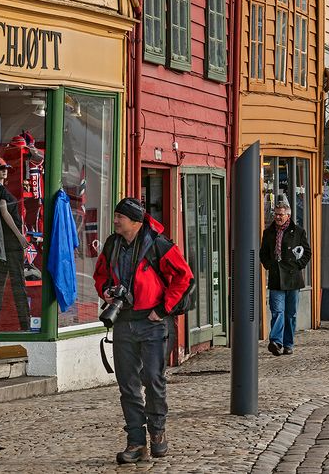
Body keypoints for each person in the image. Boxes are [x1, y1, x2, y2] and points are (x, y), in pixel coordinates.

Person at [92, 198, 194, 464]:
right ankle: (136, 442)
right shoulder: (112, 244)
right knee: (127, 385)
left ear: (136, 222)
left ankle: (157, 434)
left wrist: (162, 309)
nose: (115, 221)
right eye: (115, 215)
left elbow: (185, 278)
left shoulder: (159, 244)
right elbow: (100, 274)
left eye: (120, 217)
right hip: (124, 320)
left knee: (153, 379)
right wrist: (105, 291)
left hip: (153, 322)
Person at [259, 202, 311, 356]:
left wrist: (297, 266)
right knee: (277, 311)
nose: (277, 217)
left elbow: (307, 253)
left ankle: (288, 343)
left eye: (280, 214)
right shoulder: (268, 232)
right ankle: (275, 341)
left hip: (293, 278)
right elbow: (263, 254)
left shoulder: (298, 232)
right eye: (275, 214)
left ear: (288, 215)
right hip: (276, 278)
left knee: (290, 314)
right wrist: (270, 265)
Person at [0, 156, 31, 332]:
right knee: (18, 285)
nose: (5, 171)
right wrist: (20, 236)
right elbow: (4, 212)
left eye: (6, 168)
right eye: (1, 168)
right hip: (11, 245)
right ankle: (25, 325)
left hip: (2, 245)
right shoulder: (0, 192)